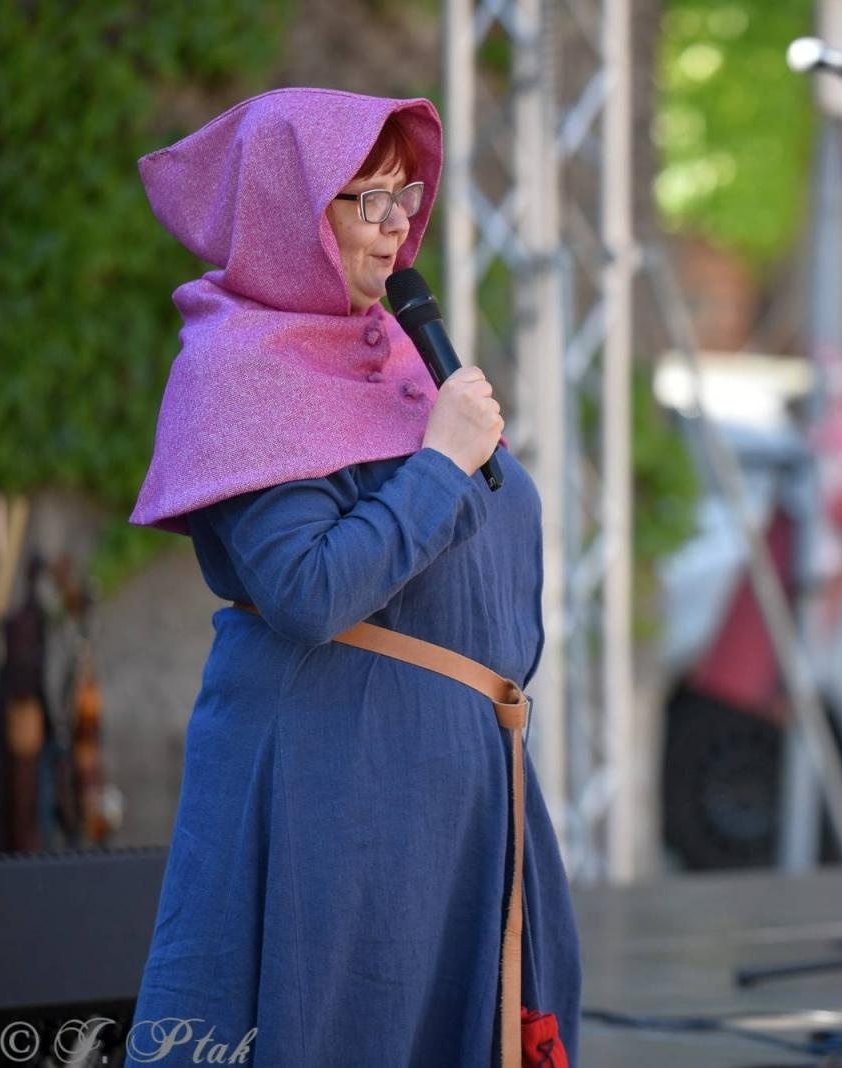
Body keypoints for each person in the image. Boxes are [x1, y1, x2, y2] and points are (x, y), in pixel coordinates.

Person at [127, 88, 580, 1066]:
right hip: (342, 795)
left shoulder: (396, 354)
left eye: (403, 195)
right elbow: (308, 590)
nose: (396, 228)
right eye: (365, 200)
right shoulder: (239, 369)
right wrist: (443, 463)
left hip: (458, 789)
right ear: (289, 214)